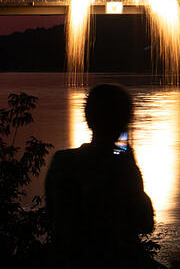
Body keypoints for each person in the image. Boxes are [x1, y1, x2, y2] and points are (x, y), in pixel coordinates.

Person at [45, 84, 156, 268]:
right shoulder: (122, 169)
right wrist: (124, 154)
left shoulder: (62, 162)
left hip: (68, 260)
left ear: (88, 119)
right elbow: (145, 222)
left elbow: (53, 214)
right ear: (125, 122)